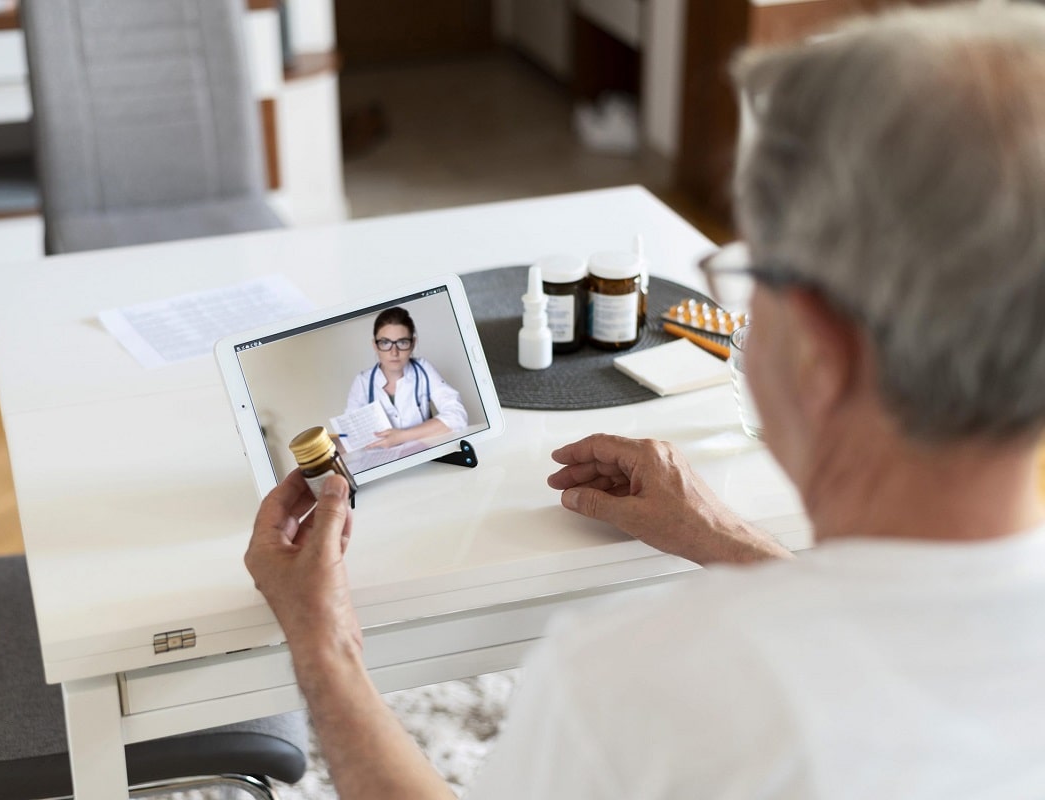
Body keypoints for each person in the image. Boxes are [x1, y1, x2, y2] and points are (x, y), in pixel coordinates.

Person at [246, 4, 1045, 797]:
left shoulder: (637, 689)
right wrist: (725, 538)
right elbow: (899, 639)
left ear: (819, 347)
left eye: (750, 278)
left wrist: (323, 642)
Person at [343, 306, 468, 449]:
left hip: (425, 454)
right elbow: (351, 435)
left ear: (413, 343)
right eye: (385, 343)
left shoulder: (423, 369)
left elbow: (457, 416)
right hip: (383, 459)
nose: (394, 352)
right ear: (375, 345)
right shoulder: (362, 382)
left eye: (402, 342)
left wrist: (402, 436)